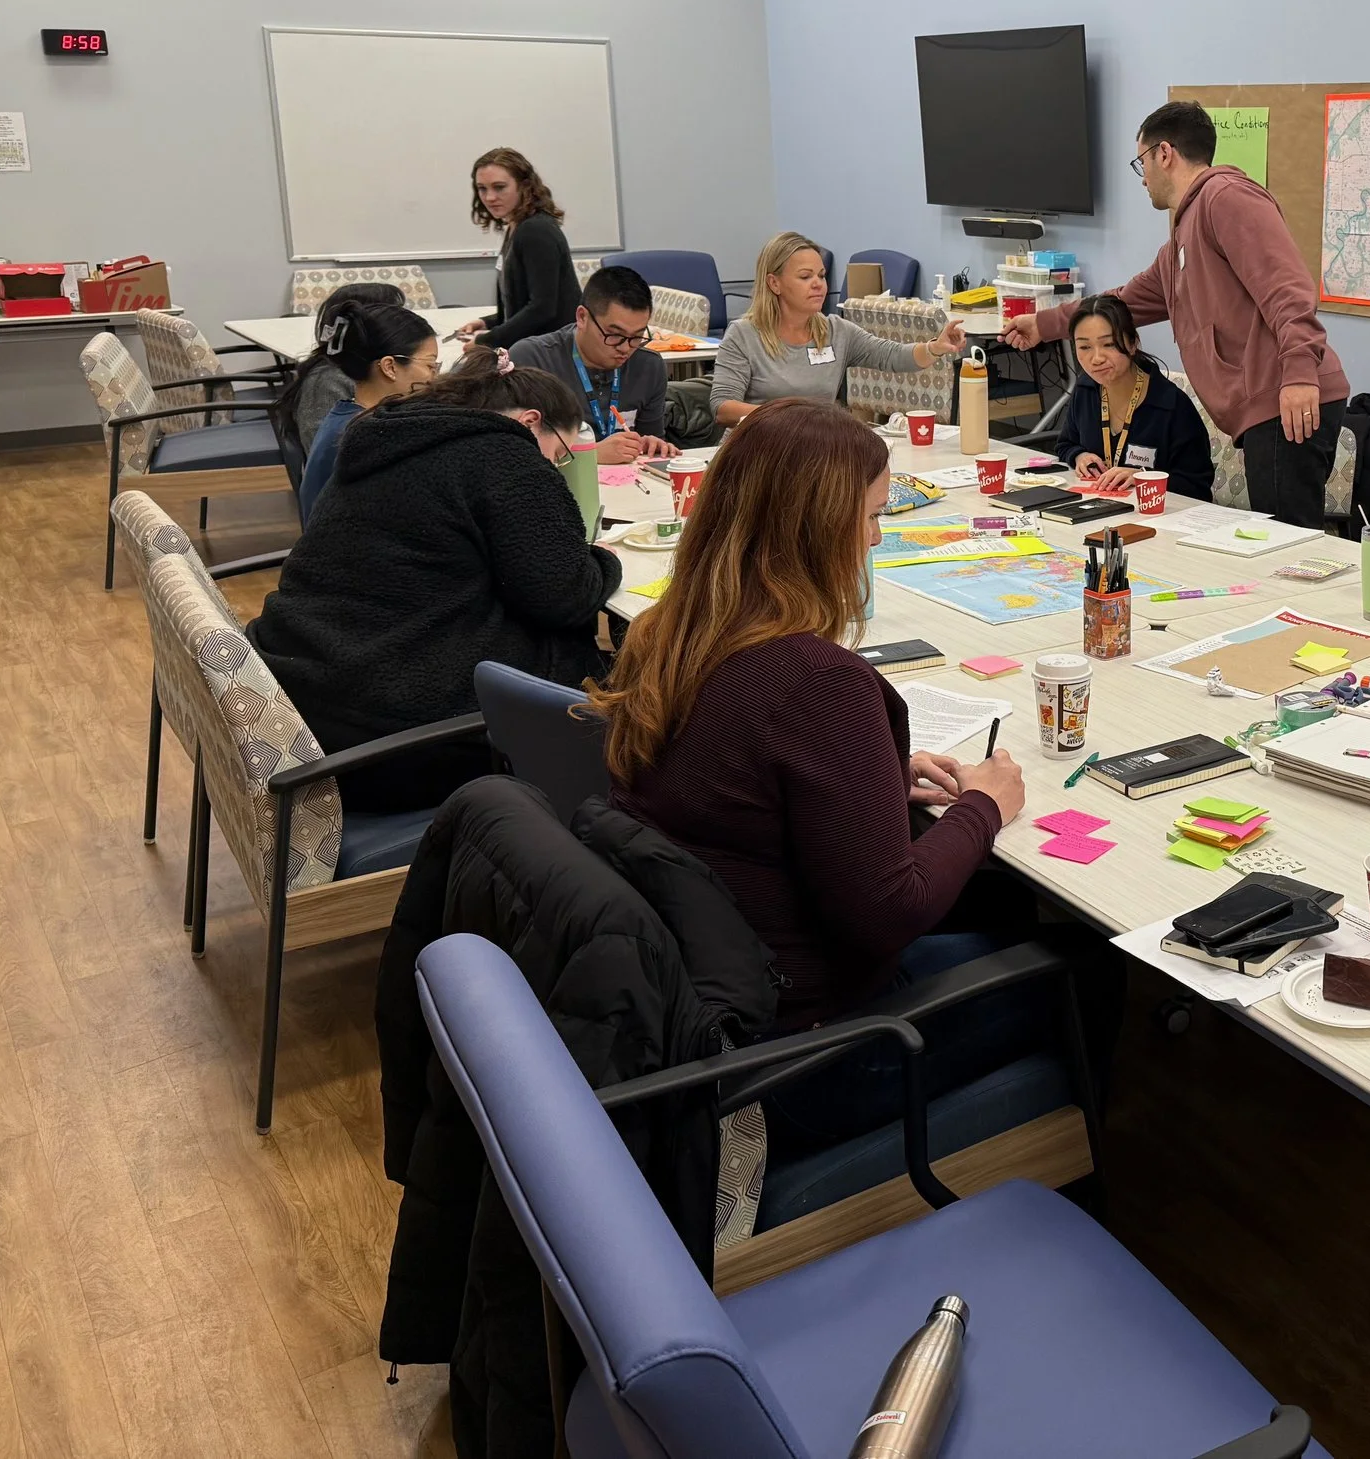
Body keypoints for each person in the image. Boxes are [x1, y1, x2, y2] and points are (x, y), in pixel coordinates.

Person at [593, 401, 1110, 1165]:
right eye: (869, 517)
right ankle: (1054, 1197)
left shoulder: (670, 629)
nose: (875, 538)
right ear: (816, 527)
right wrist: (983, 805)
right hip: (808, 1055)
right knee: (1095, 963)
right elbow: (888, 911)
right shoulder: (816, 682)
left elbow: (734, 777)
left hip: (706, 1014)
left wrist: (868, 776)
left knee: (999, 903)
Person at [251, 349, 621, 812]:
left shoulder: (394, 439)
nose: (555, 468)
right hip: (397, 744)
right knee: (629, 686)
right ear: (529, 422)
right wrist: (605, 562)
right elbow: (565, 597)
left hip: (308, 703)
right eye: (560, 455)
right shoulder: (504, 453)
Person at [1005, 101, 1350, 529]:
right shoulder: (1182, 239)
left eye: (1141, 162)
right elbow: (1124, 301)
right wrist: (1045, 324)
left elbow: (1288, 288)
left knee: (1288, 543)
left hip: (1285, 397)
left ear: (1164, 153)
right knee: (1277, 541)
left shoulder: (1226, 198)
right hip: (1268, 404)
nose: (1143, 177)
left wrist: (1299, 372)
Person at [710, 231, 967, 427]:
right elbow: (722, 407)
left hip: (815, 450)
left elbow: (892, 356)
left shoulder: (836, 331)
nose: (818, 284)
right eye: (805, 277)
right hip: (756, 453)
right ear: (774, 283)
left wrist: (935, 347)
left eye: (821, 276)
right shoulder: (743, 335)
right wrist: (787, 419)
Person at [509, 264, 681, 465]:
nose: (625, 348)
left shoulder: (649, 366)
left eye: (637, 336)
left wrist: (651, 444)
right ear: (582, 317)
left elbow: (649, 439)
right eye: (615, 335)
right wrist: (589, 453)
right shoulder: (533, 359)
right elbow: (514, 448)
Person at [1060, 293, 1216, 500]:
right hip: (1099, 507)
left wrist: (1144, 478)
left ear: (1133, 344)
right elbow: (1065, 444)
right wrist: (1079, 456)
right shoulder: (1086, 390)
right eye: (1085, 347)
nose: (1096, 359)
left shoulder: (1170, 404)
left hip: (1160, 518)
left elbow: (1197, 485)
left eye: (1109, 344)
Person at [296, 301, 439, 522]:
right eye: (431, 366)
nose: (434, 377)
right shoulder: (366, 437)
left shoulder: (348, 417)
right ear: (389, 367)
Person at [454, 147, 578, 349]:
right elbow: (522, 303)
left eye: (499, 187)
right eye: (482, 188)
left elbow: (543, 309)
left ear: (524, 186)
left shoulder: (536, 231)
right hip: (536, 345)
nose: (489, 197)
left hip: (552, 352)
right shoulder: (516, 226)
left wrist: (488, 340)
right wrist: (489, 323)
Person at [270, 280, 410, 454]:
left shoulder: (379, 368)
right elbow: (328, 455)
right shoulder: (328, 381)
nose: (407, 326)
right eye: (397, 318)